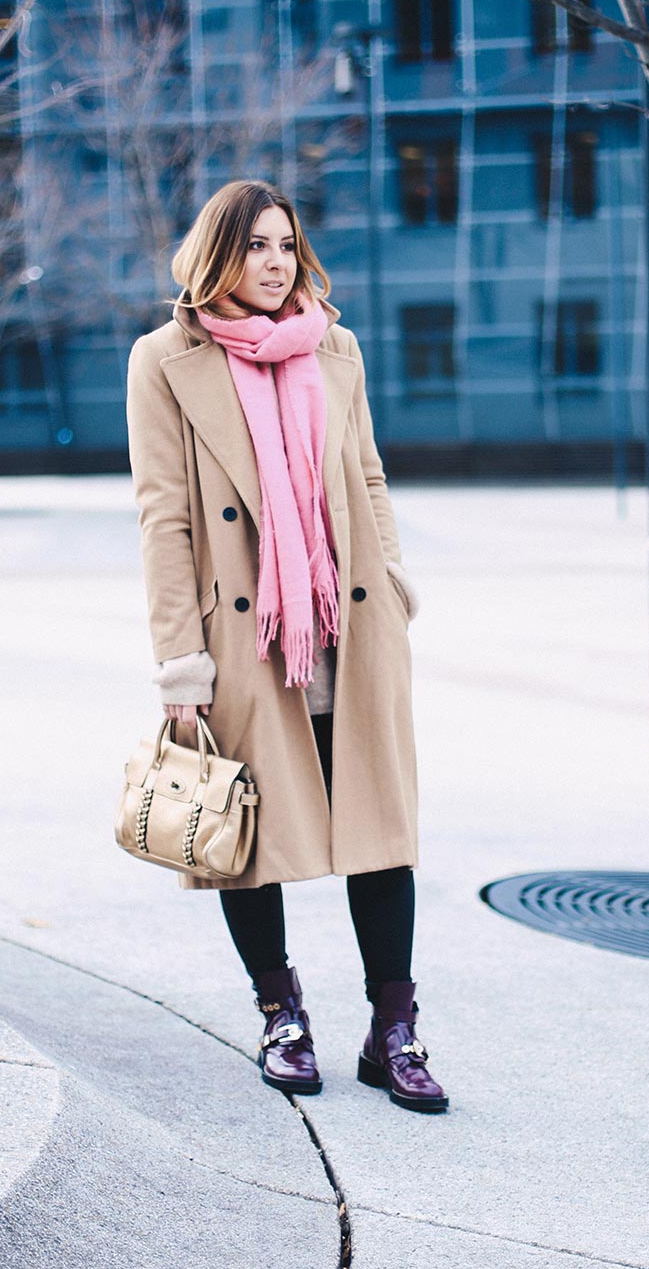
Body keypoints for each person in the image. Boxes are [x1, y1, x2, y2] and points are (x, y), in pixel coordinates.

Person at [126, 179, 447, 1114]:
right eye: (257, 247)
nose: (276, 263)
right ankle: (281, 1013)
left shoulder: (334, 346)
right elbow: (166, 518)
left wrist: (389, 577)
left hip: (349, 626)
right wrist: (181, 663)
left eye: (286, 245)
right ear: (217, 255)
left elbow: (370, 476)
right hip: (244, 637)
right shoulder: (165, 360)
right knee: (244, 835)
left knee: (382, 835)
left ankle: (395, 1034)